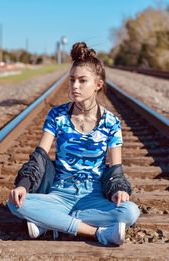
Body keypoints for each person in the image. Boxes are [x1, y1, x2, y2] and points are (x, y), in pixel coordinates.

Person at [8, 42, 140, 246]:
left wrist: (118, 191)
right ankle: (97, 233)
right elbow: (40, 156)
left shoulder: (111, 122)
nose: (75, 86)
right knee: (14, 203)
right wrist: (23, 186)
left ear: (98, 84)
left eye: (82, 80)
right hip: (59, 194)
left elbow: (115, 170)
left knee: (130, 212)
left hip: (92, 196)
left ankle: (52, 222)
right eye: (72, 80)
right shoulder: (57, 115)